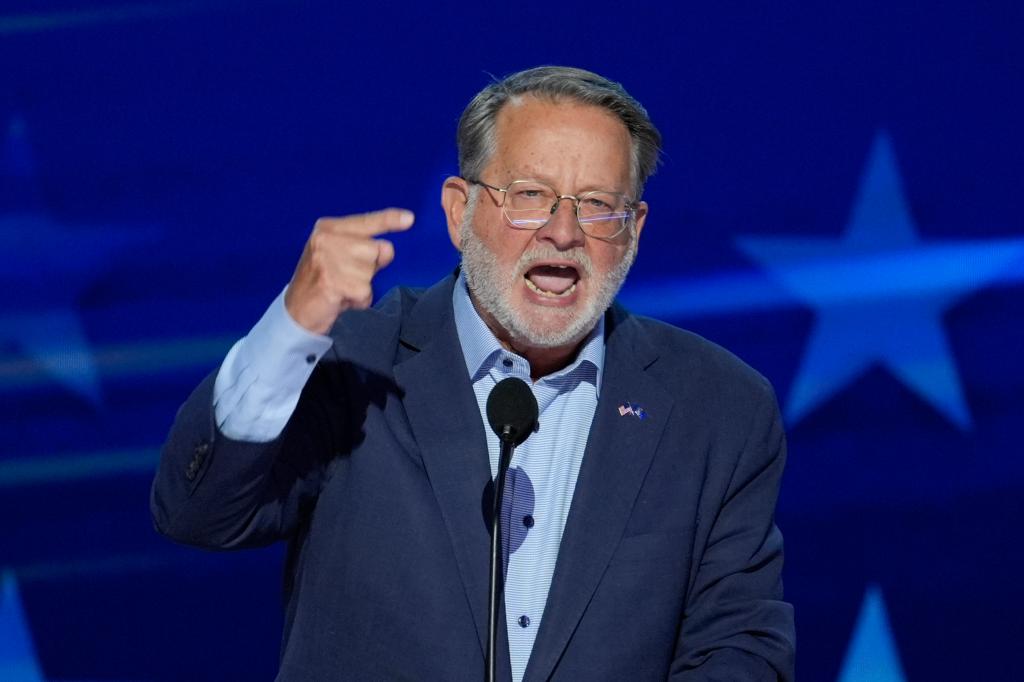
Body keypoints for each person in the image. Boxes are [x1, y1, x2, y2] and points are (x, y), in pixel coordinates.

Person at [151, 66, 795, 681]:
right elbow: (199, 514)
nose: (563, 232)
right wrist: (293, 328)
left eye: (598, 205)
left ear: (632, 231)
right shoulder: (355, 362)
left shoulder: (718, 407)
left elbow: (739, 647)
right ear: (460, 211)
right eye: (530, 196)